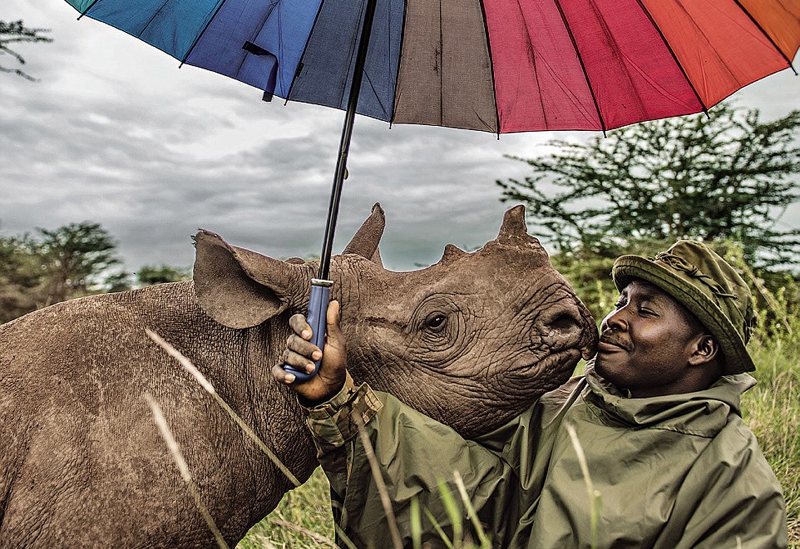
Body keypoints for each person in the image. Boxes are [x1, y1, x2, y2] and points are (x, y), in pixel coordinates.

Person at [273, 240, 788, 549]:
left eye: (645, 311)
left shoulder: (732, 480)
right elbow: (468, 493)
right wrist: (337, 396)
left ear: (701, 350)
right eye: (621, 302)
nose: (614, 319)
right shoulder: (562, 406)